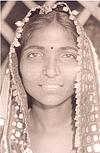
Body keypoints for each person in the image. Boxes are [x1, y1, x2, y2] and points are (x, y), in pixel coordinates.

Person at [0, 2, 100, 153]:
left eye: (68, 55)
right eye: (35, 55)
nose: (51, 71)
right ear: (17, 64)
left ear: (85, 63)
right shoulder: (3, 139)